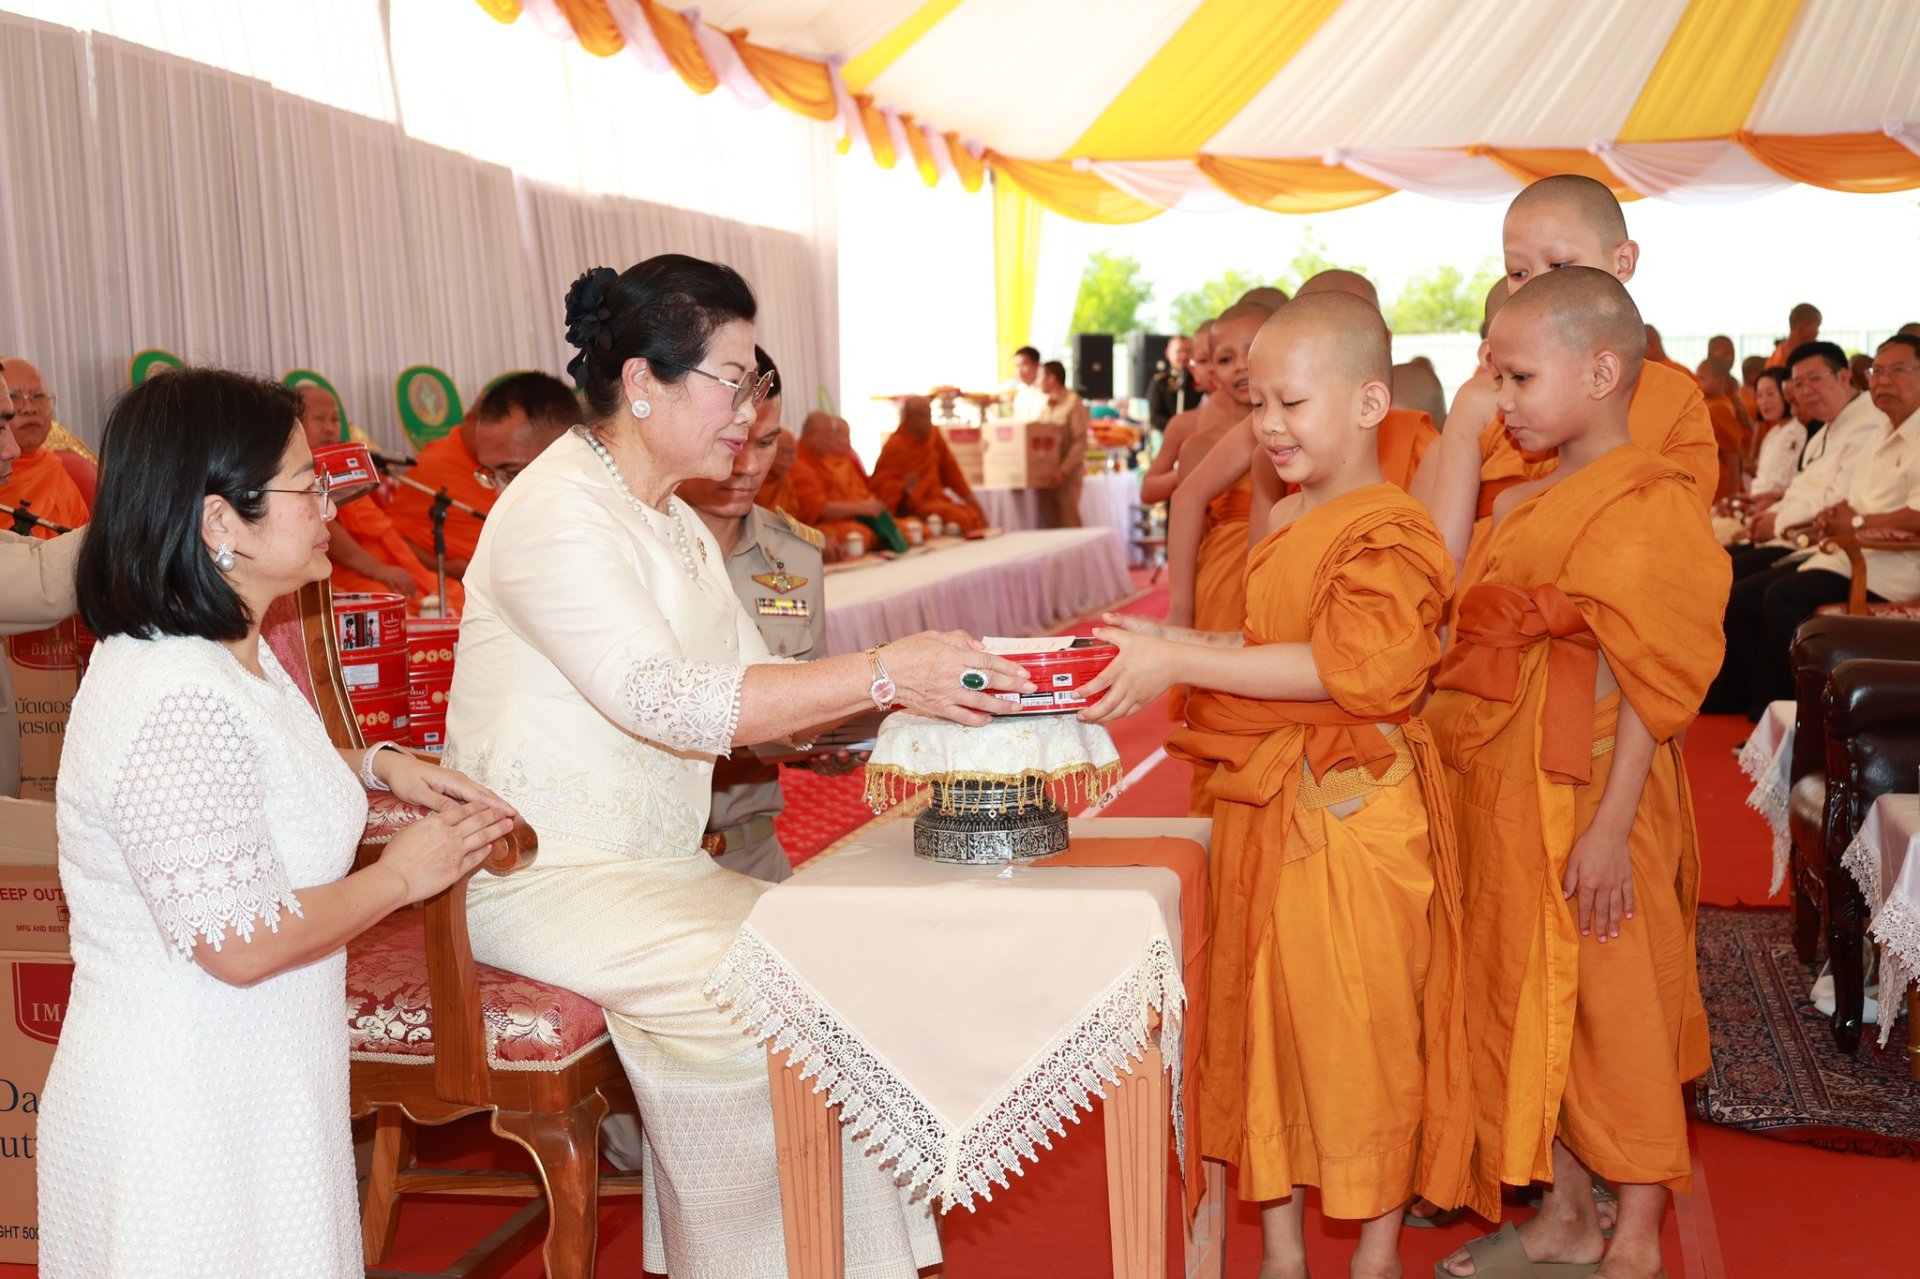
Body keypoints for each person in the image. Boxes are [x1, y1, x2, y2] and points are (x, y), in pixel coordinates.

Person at [442, 255, 1033, 1278]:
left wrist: (929, 710)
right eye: (733, 379)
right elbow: (664, 698)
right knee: (781, 989)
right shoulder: (554, 511)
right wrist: (888, 671)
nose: (751, 411)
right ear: (643, 382)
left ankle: (837, 1259)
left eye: (756, 383)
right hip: (540, 876)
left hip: (658, 873)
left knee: (852, 957)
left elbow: (762, 698)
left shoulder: (670, 521)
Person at [35, 367, 516, 1278]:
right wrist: (400, 876)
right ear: (221, 521)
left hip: (252, 1082)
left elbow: (251, 765)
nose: (330, 505)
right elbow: (240, 940)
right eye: (307, 485)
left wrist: (379, 764)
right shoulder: (174, 692)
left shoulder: (222, 651)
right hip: (182, 1115)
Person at [1076, 292, 1475, 1279]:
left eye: (1292, 403)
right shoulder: (1290, 513)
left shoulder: (1394, 530)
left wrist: (1182, 664)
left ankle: (1375, 1254)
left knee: (1362, 1033)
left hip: (1355, 809)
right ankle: (1285, 1251)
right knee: (1266, 1026)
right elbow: (1271, 647)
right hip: (1269, 802)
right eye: (1258, 404)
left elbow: (1354, 672)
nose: (1268, 426)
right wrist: (1170, 637)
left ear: (1371, 403)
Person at [1425, 267, 1728, 1279]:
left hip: (1602, 787)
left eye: (1519, 378)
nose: (1501, 399)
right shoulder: (1528, 496)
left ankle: (1636, 1234)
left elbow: (1655, 677)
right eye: (1495, 377)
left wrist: (1609, 828)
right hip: (1511, 786)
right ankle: (1564, 1213)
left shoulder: (1653, 498)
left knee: (1619, 1005)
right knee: (1531, 1000)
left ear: (1602, 372)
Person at [1423, 174, 1716, 584]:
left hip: (1613, 600)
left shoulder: (1674, 397)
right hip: (1490, 600)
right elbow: (1447, 556)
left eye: (1559, 265)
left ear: (1623, 262)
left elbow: (1678, 531)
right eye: (1518, 272)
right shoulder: (1484, 396)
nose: (1539, 284)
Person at [676, 348, 826, 883]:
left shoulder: (797, 556)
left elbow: (810, 696)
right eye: (735, 441)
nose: (749, 465)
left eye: (766, 443)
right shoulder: (638, 547)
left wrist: (830, 740)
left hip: (753, 851)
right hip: (654, 859)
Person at [1713, 336, 1919, 719]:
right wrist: (1836, 517)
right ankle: (1753, 705)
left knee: (1778, 597)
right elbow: (1846, 500)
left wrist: (1853, 522)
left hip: (1887, 566)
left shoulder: (1890, 429)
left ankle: (1783, 719)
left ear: (1843, 377)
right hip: (1844, 552)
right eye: (1878, 371)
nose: (1883, 380)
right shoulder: (1880, 434)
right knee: (1744, 584)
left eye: (1898, 370)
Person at [385, 372, 577, 580]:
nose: (499, 493)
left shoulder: (588, 523)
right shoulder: (435, 466)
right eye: (491, 474)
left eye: (512, 473)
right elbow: (394, 539)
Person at [295, 384, 458, 611]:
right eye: (319, 419)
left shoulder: (341, 466)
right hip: (349, 570)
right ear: (295, 426)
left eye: (335, 420)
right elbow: (327, 529)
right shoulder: (298, 471)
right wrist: (379, 570)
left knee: (455, 593)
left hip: (392, 563)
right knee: (390, 602)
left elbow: (378, 528)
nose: (330, 428)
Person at [1160, 302, 1268, 639]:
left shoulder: (1306, 432)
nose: (1240, 366)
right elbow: (1192, 527)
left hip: (1284, 570)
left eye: (1252, 352)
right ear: (1211, 373)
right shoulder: (1198, 446)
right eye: (1225, 359)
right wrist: (1181, 609)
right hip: (1222, 579)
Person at [0, 361, 84, 796]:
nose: (12, 449)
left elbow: (29, 554)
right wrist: (154, 513)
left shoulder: (59, 473)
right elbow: (43, 579)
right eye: (0, 426)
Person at [1139, 320, 1230, 504]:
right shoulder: (1183, 422)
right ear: (1193, 369)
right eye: (1203, 360)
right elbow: (1148, 491)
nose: (1213, 368)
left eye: (1224, 358)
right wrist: (1187, 470)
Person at [869, 394, 987, 533]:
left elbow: (952, 473)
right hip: (914, 505)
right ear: (908, 418)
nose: (928, 421)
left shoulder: (933, 436)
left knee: (971, 515)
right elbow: (880, 487)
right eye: (922, 416)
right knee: (960, 518)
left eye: (929, 415)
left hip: (936, 499)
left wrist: (976, 505)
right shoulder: (895, 446)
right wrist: (902, 489)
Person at [0, 357, 89, 538]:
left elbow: (85, 545)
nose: (29, 408)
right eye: (14, 397)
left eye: (38, 396)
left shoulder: (54, 470)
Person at [790, 409, 885, 553]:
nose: (830, 443)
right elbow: (819, 509)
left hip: (840, 520)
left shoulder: (821, 461)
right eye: (828, 437)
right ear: (811, 435)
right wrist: (862, 508)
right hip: (811, 525)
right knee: (860, 535)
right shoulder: (798, 463)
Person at [1032, 359, 1089, 528]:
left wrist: (1063, 471)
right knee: (1051, 526)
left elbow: (1080, 442)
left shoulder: (1073, 404)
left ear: (1052, 378)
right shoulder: (1046, 406)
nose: (1037, 381)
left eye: (1040, 376)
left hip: (1067, 475)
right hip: (1047, 475)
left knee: (1069, 522)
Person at [1747, 367, 1805, 500]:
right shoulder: (1771, 435)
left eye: (1770, 394)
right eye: (1759, 395)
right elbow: (1762, 481)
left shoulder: (1799, 430)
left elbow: (1787, 484)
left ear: (1787, 393)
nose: (1764, 401)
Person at [1696, 356, 1748, 498]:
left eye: (1702, 378)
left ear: (1720, 381)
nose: (1697, 382)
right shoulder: (1710, 403)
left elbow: (1732, 452)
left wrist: (1733, 493)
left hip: (1722, 483)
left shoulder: (1719, 408)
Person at [1147, 333, 1197, 433]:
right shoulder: (1161, 381)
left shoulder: (1199, 379)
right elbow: (1155, 417)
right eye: (1179, 351)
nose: (1184, 356)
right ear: (1168, 353)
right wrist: (1177, 428)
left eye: (1188, 351)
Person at [1767, 302, 1821, 368]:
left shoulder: (1776, 355)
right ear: (1803, 327)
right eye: (1817, 326)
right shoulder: (1815, 356)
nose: (1818, 332)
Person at [1008, 344, 1048, 420]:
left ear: (1037, 365)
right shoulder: (1020, 393)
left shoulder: (1047, 391)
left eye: (1023, 365)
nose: (1019, 371)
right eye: (1016, 366)